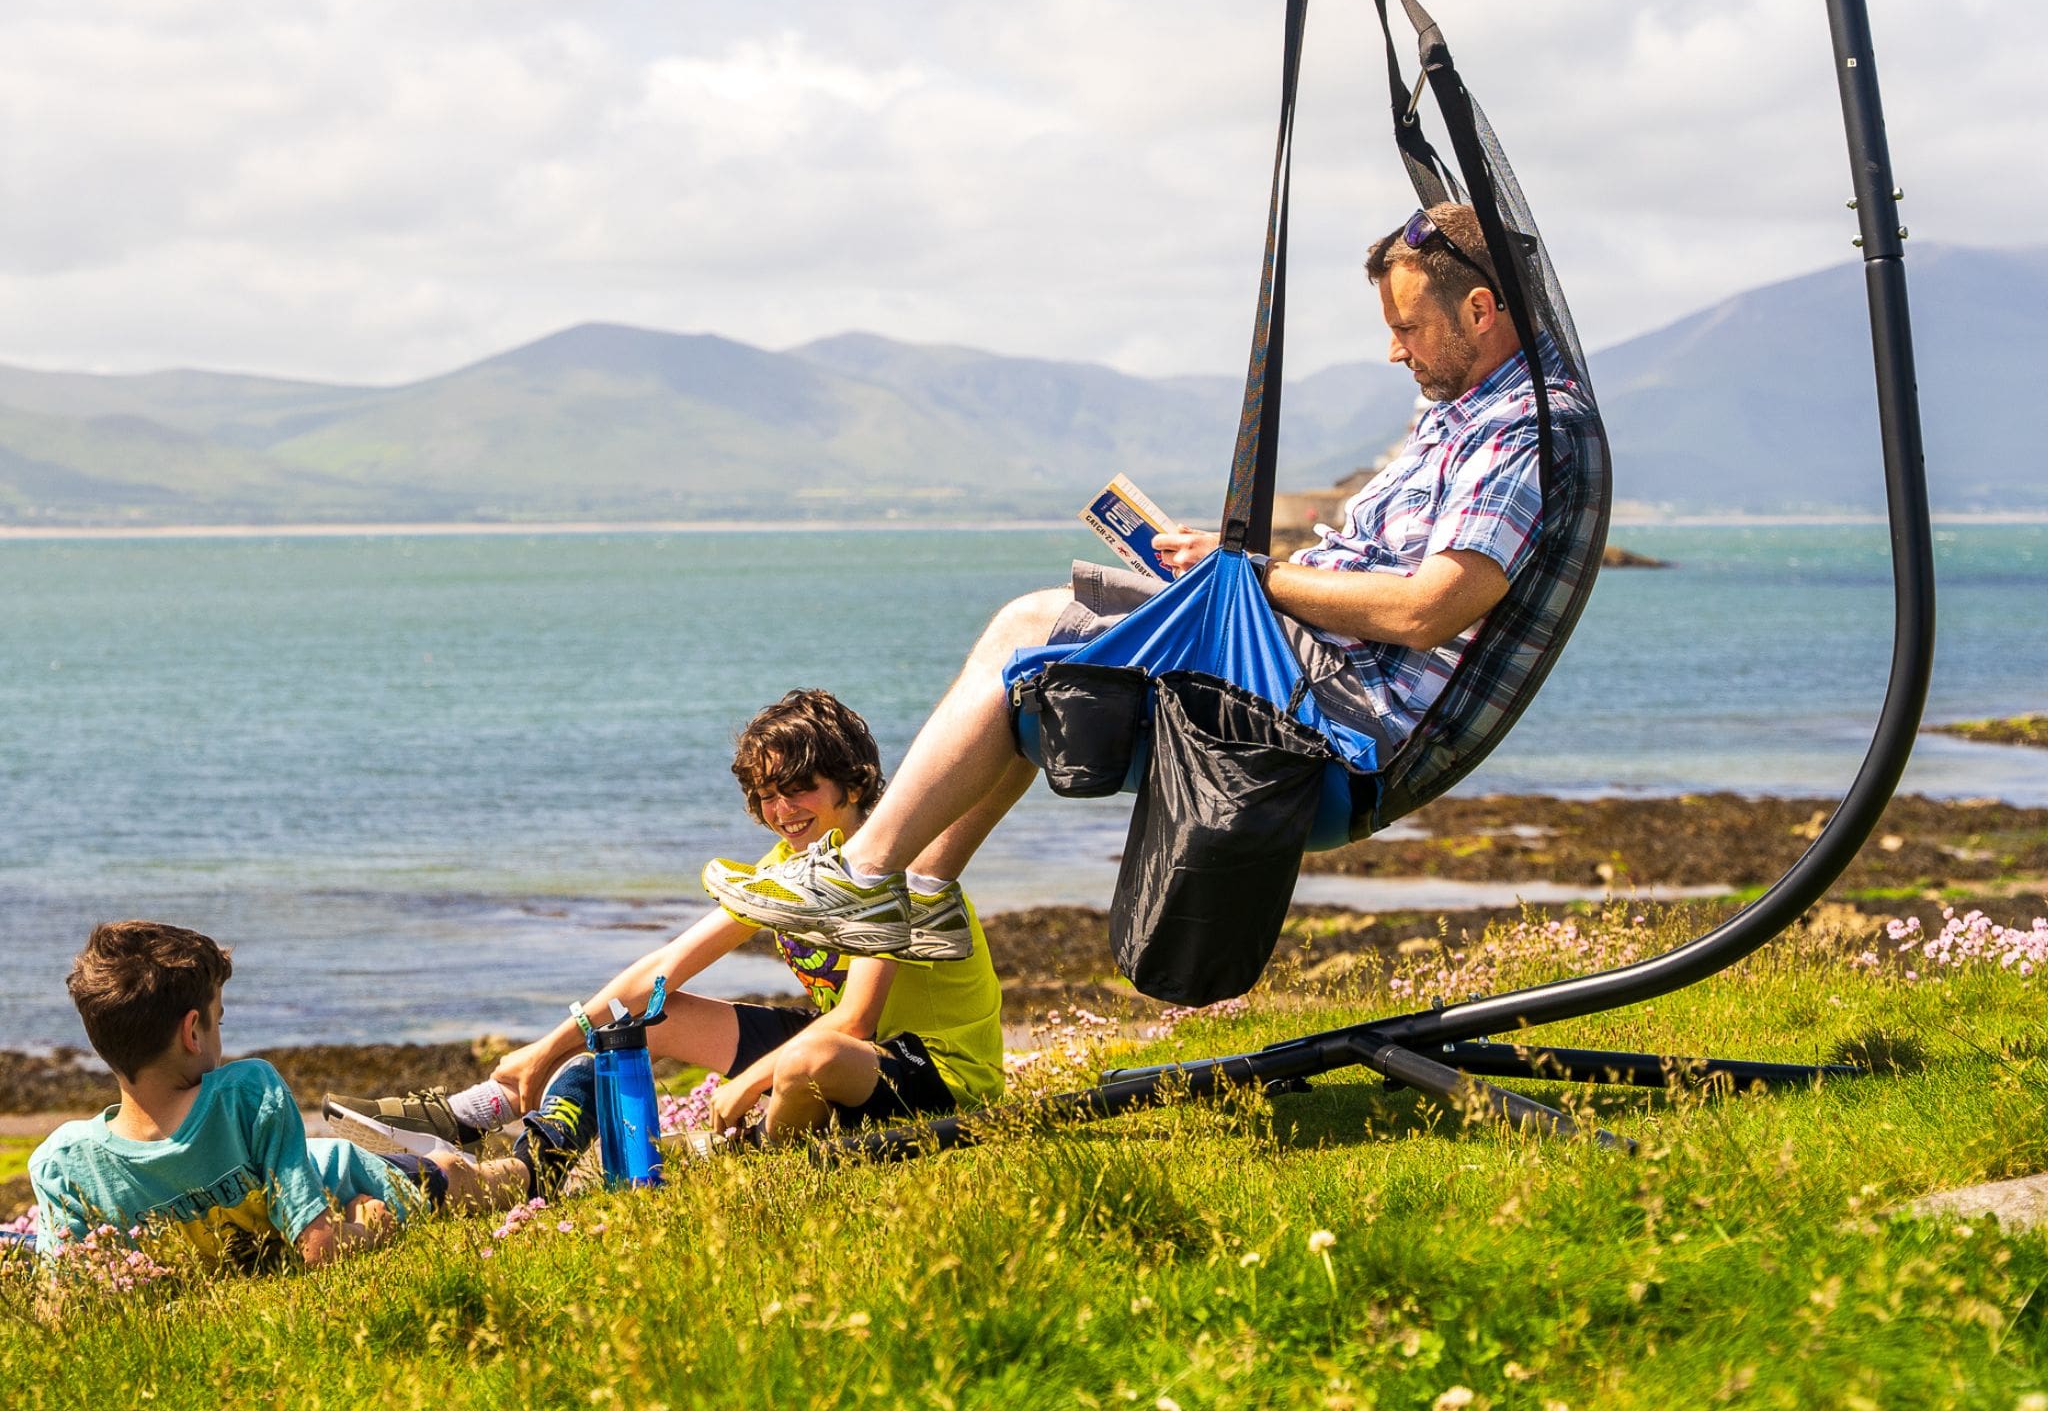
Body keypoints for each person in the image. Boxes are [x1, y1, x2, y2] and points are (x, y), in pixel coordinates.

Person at [707, 202, 1577, 958]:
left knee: (1029, 631)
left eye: (1410, 328)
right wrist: (1220, 575)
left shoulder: (1520, 432)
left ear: (1481, 308)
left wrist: (1255, 579)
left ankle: (864, 875)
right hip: (1307, 666)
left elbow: (1434, 607)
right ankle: (925, 892)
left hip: (1336, 728)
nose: (1394, 352)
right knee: (1033, 677)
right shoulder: (1460, 415)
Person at [325, 690, 1003, 1169]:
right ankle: (502, 1128)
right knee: (645, 1016)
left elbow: (855, 1020)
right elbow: (665, 965)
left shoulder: (893, 864)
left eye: (798, 787)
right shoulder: (785, 869)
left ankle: (765, 1156)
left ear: (851, 784)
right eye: (764, 795)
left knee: (807, 1060)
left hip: (929, 1071)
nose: (780, 809)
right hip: (851, 1052)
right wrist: (546, 1050)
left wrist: (749, 1082)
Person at [28, 920, 527, 1276]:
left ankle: (533, 1144)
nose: (220, 1035)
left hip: (330, 1168)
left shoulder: (64, 1163)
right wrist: (372, 1228)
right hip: (324, 1172)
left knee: (462, 1176)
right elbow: (321, 1249)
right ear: (192, 1033)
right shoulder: (248, 1095)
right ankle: (528, 1136)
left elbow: (63, 1300)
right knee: (455, 1175)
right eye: (218, 1020)